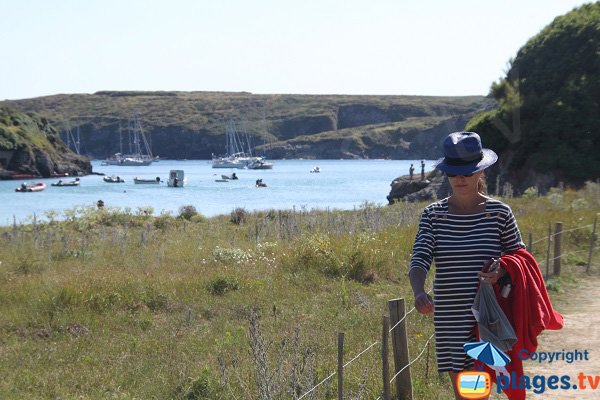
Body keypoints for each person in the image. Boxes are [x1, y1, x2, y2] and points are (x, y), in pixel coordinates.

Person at [408, 131, 525, 400]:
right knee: (465, 392)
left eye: (467, 172)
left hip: (488, 316)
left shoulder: (499, 213)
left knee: (475, 392)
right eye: (453, 172)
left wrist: (503, 270)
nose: (460, 178)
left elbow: (520, 257)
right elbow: (420, 257)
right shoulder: (433, 215)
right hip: (449, 318)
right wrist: (418, 291)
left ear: (480, 172)